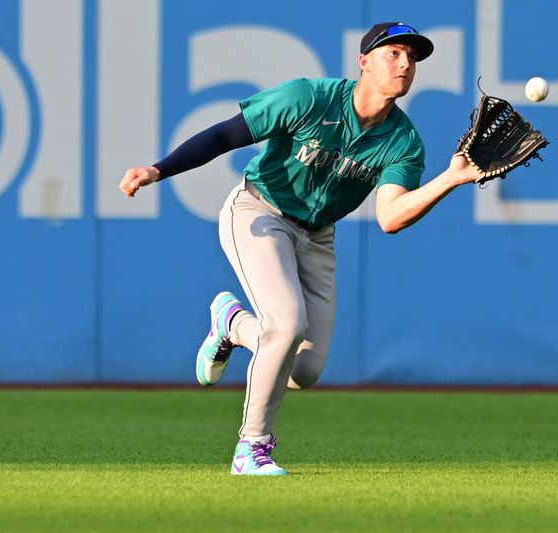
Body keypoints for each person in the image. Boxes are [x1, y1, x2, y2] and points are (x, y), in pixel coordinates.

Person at [119, 22, 480, 476]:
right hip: (258, 211)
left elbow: (390, 218)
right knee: (286, 324)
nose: (405, 64)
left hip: (318, 235)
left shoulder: (403, 142)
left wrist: (450, 178)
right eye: (394, 53)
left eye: (412, 57)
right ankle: (251, 448)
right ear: (364, 61)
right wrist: (158, 169)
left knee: (303, 370)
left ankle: (232, 324)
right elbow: (225, 135)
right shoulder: (308, 98)